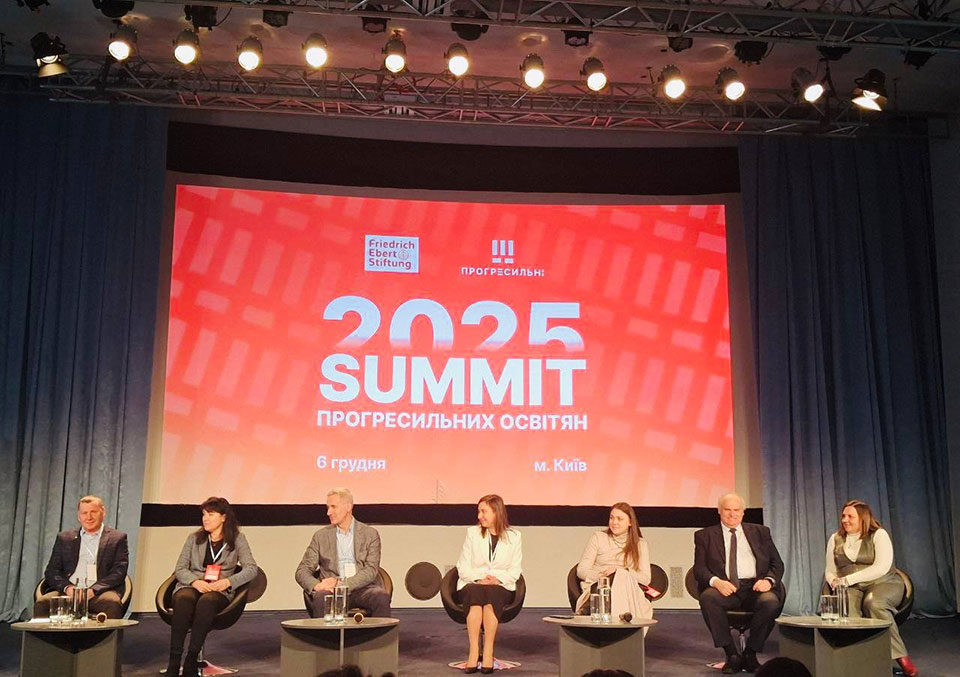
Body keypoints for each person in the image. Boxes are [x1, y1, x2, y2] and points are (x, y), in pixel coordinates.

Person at [166, 497, 258, 677]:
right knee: (183, 599)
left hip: (219, 589)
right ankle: (174, 662)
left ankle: (191, 659)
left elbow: (251, 569)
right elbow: (180, 568)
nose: (205, 519)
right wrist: (195, 582)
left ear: (223, 517)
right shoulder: (194, 538)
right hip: (193, 585)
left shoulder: (237, 539)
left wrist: (228, 582)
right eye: (204, 514)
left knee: (207, 602)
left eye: (211, 514)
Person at [693, 492, 784, 674]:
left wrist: (768, 581)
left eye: (736, 510)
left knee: (770, 602)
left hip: (755, 588)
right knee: (708, 598)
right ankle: (732, 654)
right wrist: (717, 582)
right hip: (726, 589)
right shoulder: (704, 535)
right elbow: (700, 569)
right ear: (719, 511)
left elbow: (777, 564)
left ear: (743, 512)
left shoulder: (761, 532)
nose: (732, 514)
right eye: (727, 509)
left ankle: (750, 653)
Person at [824, 499, 917, 676]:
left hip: (883, 582)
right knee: (846, 606)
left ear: (863, 518)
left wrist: (847, 580)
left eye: (850, 516)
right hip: (851, 587)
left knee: (874, 603)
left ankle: (901, 657)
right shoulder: (835, 538)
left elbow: (881, 567)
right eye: (843, 516)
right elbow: (830, 569)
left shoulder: (878, 535)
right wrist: (833, 580)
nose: (845, 520)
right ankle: (860, 659)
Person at [296, 487, 391, 618]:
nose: (328, 512)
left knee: (380, 597)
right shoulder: (320, 536)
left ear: (348, 507)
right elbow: (302, 571)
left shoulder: (370, 534)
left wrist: (341, 584)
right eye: (327, 508)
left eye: (333, 507)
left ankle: (380, 632)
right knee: (320, 598)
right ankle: (323, 632)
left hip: (361, 588)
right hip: (330, 592)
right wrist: (317, 586)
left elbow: (371, 570)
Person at [456, 494, 523, 674]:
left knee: (492, 593)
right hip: (473, 583)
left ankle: (488, 651)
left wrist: (496, 579)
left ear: (496, 512)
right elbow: (463, 566)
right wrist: (480, 578)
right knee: (476, 592)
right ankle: (473, 650)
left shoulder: (514, 537)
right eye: (478, 512)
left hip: (500, 586)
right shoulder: (472, 533)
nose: (479, 516)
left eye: (483, 511)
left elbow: (515, 571)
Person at [37, 495, 128, 619]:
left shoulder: (117, 538)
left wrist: (93, 590)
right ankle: (45, 633)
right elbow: (52, 571)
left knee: (112, 603)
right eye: (84, 513)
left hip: (99, 593)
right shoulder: (65, 538)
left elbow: (119, 572)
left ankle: (106, 633)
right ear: (79, 516)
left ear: (103, 512)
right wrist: (68, 588)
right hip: (69, 592)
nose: (89, 517)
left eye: (93, 512)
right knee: (43, 603)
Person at [575, 502, 653, 627]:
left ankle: (587, 609)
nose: (614, 522)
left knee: (620, 575)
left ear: (630, 522)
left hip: (628, 590)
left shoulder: (640, 544)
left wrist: (623, 571)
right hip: (598, 585)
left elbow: (645, 579)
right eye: (611, 518)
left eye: (620, 519)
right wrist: (602, 576)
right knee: (611, 579)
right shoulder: (598, 537)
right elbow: (581, 570)